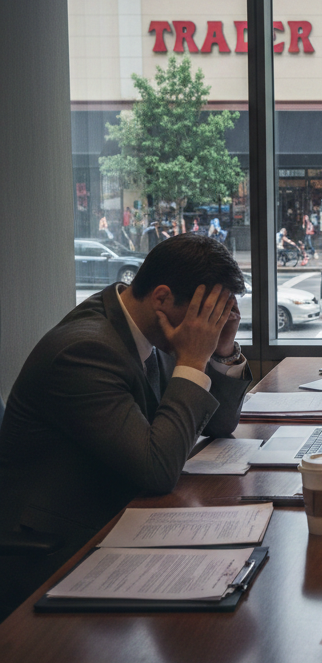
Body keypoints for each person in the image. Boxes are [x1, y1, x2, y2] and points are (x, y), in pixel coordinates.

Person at [0, 234, 250, 593]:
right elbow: (157, 470)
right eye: (204, 314)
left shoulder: (154, 326)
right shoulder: (85, 351)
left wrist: (222, 350)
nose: (207, 327)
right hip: (60, 550)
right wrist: (194, 359)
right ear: (161, 297)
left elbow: (220, 424)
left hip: (126, 515)